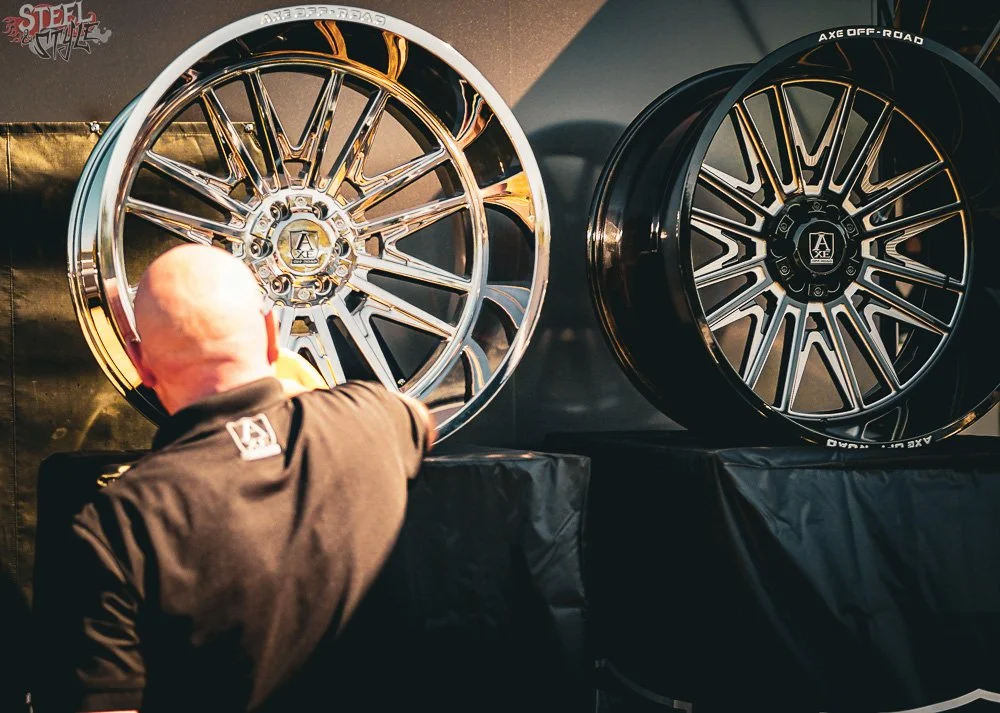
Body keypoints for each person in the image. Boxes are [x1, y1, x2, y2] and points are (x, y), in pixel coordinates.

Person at [36, 244, 434, 712]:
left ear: (140, 365)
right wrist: (294, 391)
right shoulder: (370, 418)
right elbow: (420, 422)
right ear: (270, 335)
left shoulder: (117, 526)